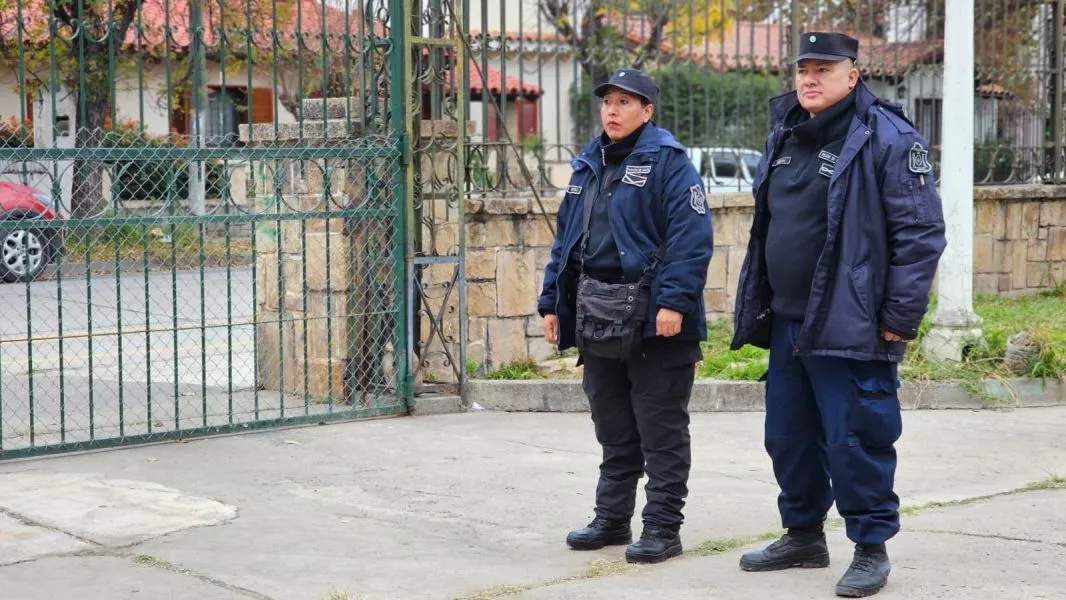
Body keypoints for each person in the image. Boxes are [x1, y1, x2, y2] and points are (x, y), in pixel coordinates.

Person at [729, 32, 946, 597]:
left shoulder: (887, 137)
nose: (809, 79)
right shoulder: (785, 132)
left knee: (856, 439)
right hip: (789, 321)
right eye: (803, 69)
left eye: (823, 69)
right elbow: (770, 227)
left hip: (853, 321)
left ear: (852, 75)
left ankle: (871, 548)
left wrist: (899, 316)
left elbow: (921, 233)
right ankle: (803, 535)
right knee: (789, 437)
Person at [537, 68, 713, 564]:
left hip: (656, 319)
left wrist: (673, 303)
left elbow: (691, 240)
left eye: (625, 102)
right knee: (612, 425)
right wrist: (551, 301)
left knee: (661, 429)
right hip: (597, 312)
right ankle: (612, 519)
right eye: (607, 102)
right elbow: (565, 241)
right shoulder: (587, 163)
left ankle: (662, 527)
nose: (612, 111)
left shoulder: (671, 164)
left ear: (647, 111)